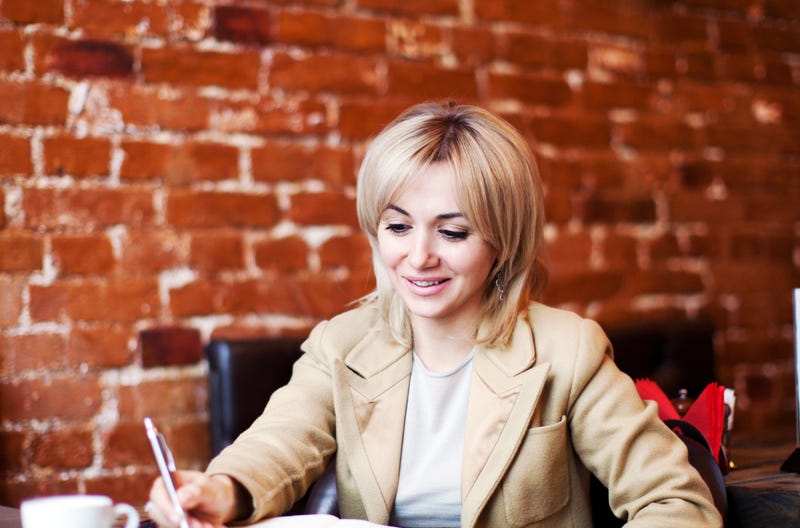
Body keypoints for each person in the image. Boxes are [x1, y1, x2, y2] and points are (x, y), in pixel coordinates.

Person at [148, 102, 722, 527]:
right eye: (398, 226)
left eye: (452, 231)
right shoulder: (342, 346)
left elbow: (675, 501)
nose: (418, 256)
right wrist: (221, 490)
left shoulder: (566, 351)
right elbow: (277, 444)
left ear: (502, 242)